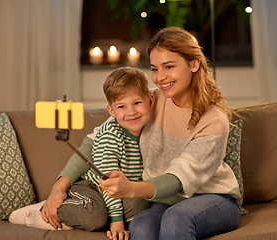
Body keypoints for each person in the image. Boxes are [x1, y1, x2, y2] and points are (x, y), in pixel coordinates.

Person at [42, 27, 241, 240]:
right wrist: (59, 187)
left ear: (194, 64)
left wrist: (130, 189)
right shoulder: (149, 102)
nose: (160, 77)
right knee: (143, 224)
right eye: (155, 68)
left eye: (169, 66)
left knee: (176, 218)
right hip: (165, 200)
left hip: (214, 199)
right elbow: (94, 141)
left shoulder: (213, 120)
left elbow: (178, 179)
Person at [9, 66, 154, 240]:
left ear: (150, 101)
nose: (131, 112)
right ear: (111, 112)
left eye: (137, 103)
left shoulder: (152, 131)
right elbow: (107, 181)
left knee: (140, 204)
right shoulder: (111, 135)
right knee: (95, 214)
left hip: (118, 192)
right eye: (122, 106)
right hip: (91, 188)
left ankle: (75, 221)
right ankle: (45, 212)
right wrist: (116, 223)